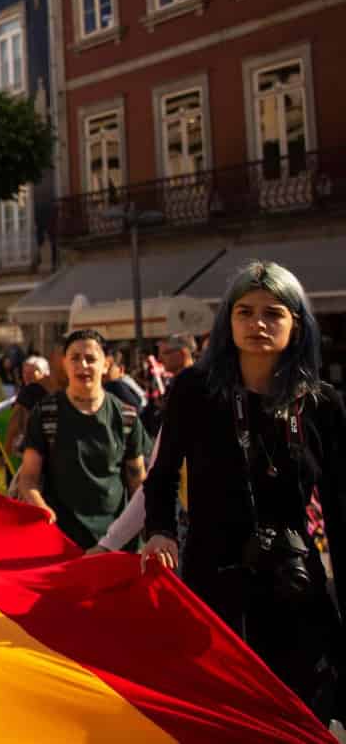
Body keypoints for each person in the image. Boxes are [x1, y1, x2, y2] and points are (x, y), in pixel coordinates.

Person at [143, 262, 346, 724]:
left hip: (295, 583)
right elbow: (163, 472)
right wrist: (159, 531)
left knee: (303, 710)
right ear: (227, 321)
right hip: (215, 577)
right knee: (222, 712)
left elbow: (340, 505)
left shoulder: (320, 403)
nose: (258, 324)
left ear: (296, 323)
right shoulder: (194, 390)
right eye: (245, 311)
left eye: (274, 313)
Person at [16, 330, 149, 550]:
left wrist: (150, 532)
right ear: (64, 364)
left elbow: (138, 484)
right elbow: (28, 478)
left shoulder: (126, 416)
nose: (83, 365)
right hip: (63, 544)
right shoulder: (46, 413)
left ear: (105, 365)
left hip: (117, 545)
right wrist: (41, 508)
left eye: (90, 359)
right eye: (75, 358)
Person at [2, 355, 53, 463]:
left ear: (45, 373)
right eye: (25, 372)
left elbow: (14, 425)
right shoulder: (57, 392)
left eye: (32, 372)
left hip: (30, 450)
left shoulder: (28, 391)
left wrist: (6, 454)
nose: (27, 375)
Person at [104, 346, 146, 412]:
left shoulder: (117, 385)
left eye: (108, 367)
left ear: (121, 369)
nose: (104, 371)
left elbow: (136, 408)